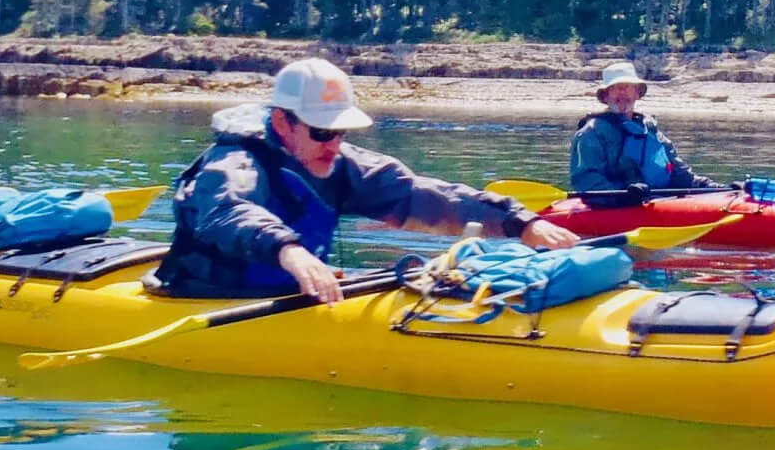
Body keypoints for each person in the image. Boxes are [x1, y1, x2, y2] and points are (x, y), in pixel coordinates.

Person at [162, 57, 580, 301]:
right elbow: (226, 212)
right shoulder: (233, 163)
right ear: (281, 123)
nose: (335, 143)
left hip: (293, 296)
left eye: (341, 131)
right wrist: (290, 251)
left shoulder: (336, 162)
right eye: (322, 131)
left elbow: (419, 195)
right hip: (211, 297)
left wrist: (519, 222)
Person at [568, 61, 707, 194]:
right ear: (605, 96)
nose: (622, 93)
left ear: (637, 93)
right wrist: (625, 195)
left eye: (628, 87)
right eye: (615, 88)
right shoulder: (590, 134)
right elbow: (586, 180)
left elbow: (680, 172)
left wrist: (705, 185)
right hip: (617, 204)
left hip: (656, 200)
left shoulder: (650, 130)